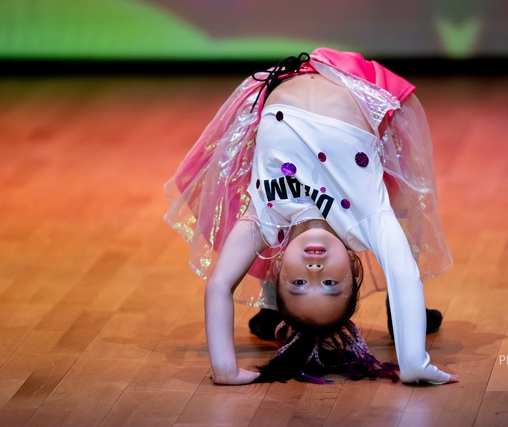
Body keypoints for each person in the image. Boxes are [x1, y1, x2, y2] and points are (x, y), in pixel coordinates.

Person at [164, 48, 457, 385]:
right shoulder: (366, 222)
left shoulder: (266, 221)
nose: (315, 271)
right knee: (404, 201)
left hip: (286, 83)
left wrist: (225, 370)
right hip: (357, 81)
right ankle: (403, 319)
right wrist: (413, 361)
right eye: (330, 285)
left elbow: (219, 285)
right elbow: (403, 274)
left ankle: (275, 313)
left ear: (278, 268)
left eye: (299, 284)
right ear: (354, 267)